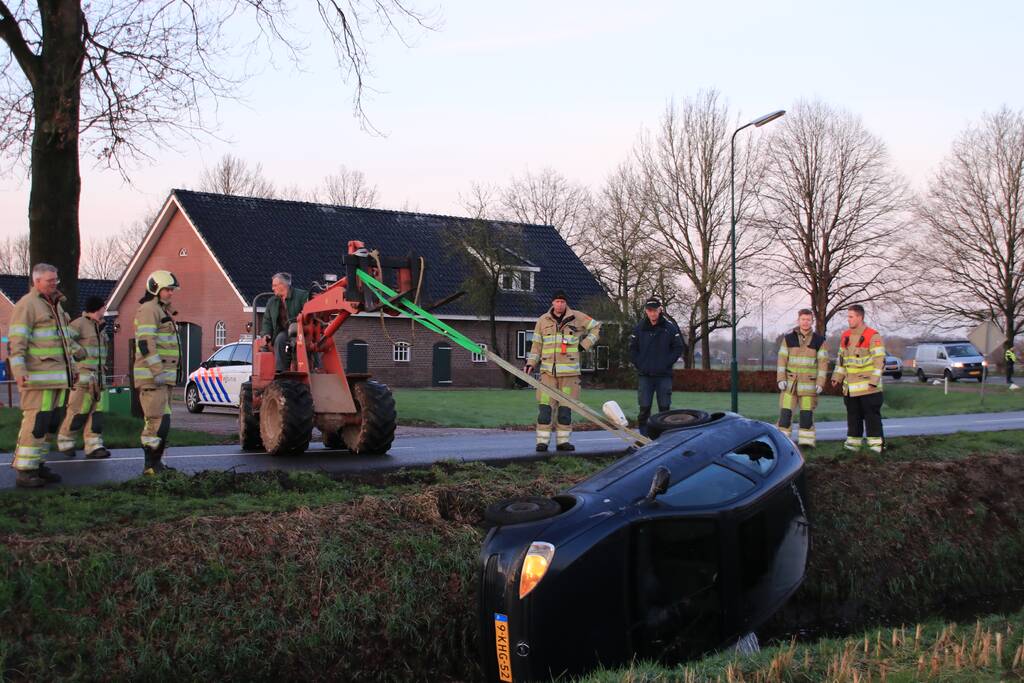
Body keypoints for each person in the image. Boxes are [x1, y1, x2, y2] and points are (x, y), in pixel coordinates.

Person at [9, 263, 84, 488]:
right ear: (37, 281)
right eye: (50, 280)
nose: (54, 284)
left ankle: (38, 464)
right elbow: (17, 342)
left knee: (49, 424)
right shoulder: (28, 305)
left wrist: (73, 370)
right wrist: (19, 371)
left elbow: (65, 344)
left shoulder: (55, 306)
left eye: (55, 280)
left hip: (56, 379)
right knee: (36, 423)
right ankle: (25, 470)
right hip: (37, 379)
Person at [524, 291, 601, 452]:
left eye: (562, 302)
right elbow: (536, 346)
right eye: (557, 301)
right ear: (552, 303)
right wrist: (531, 363)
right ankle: (542, 442)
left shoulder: (577, 317)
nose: (559, 304)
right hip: (548, 376)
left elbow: (596, 327)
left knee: (565, 411)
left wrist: (584, 345)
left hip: (569, 376)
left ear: (566, 303)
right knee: (545, 410)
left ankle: (563, 442)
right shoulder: (542, 320)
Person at [133, 270, 181, 475]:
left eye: (172, 289)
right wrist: (157, 371)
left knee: (163, 423)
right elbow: (146, 343)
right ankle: (150, 466)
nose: (171, 293)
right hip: (153, 378)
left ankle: (157, 463)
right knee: (155, 422)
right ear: (155, 289)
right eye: (167, 289)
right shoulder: (149, 310)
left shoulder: (161, 310)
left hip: (163, 379)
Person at [57, 296, 111, 459]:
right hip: (83, 378)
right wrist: (78, 352)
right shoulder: (79, 324)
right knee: (77, 412)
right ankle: (65, 442)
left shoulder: (101, 327)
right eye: (103, 307)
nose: (105, 310)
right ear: (98, 308)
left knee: (96, 415)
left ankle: (94, 446)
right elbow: (64, 339)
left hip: (98, 379)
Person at [831, 304, 886, 454]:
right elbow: (841, 360)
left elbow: (879, 362)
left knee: (872, 418)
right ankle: (853, 447)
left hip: (869, 388)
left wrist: (873, 382)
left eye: (851, 317)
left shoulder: (872, 336)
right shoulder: (845, 336)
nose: (848, 319)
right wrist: (837, 377)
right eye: (848, 316)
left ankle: (875, 448)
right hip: (850, 388)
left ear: (860, 317)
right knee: (853, 417)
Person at [629, 297, 685, 436]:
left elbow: (678, 347)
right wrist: (640, 363)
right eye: (649, 310)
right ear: (646, 311)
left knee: (665, 409)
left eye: (655, 310)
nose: (652, 313)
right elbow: (632, 349)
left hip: (664, 376)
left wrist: (666, 363)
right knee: (644, 409)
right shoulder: (639, 328)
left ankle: (664, 437)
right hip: (645, 376)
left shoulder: (670, 328)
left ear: (660, 310)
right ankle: (643, 438)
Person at [776, 309, 829, 448]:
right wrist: (781, 379)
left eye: (808, 320)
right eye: (803, 319)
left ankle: (807, 443)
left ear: (812, 321)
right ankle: (783, 444)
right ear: (798, 320)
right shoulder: (788, 339)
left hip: (809, 386)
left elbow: (823, 364)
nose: (805, 322)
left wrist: (820, 383)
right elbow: (782, 360)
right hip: (790, 386)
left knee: (806, 417)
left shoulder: (819, 340)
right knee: (785, 416)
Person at [260, 272, 310, 372]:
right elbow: (267, 321)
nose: (272, 288)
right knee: (280, 339)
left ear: (283, 285)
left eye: (275, 285)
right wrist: (266, 334)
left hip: (302, 332)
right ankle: (281, 371)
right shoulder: (272, 302)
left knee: (312, 343)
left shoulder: (302, 296)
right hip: (283, 332)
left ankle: (314, 367)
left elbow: (310, 315)